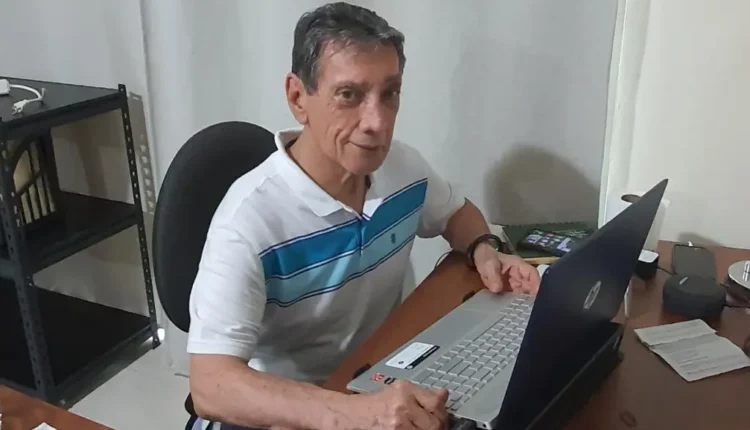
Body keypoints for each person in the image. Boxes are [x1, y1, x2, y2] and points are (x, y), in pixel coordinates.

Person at [187, 3, 541, 430]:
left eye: (389, 94)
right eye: (349, 95)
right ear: (298, 98)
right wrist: (357, 414)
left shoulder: (402, 167)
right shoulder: (247, 222)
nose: (377, 122)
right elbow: (210, 385)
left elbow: (456, 213)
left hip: (378, 374)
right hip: (293, 410)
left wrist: (485, 249)